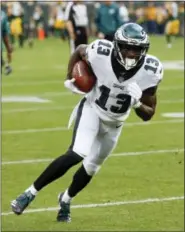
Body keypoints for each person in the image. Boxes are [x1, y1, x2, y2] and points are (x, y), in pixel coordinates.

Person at [11, 23, 163, 223]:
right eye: (127, 47)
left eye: (137, 49)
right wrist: (70, 78)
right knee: (77, 153)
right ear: (116, 45)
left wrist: (137, 105)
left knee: (91, 167)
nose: (131, 53)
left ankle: (65, 200)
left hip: (115, 124)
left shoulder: (151, 71)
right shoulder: (100, 52)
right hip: (92, 109)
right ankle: (29, 193)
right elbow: (79, 51)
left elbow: (149, 114)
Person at [1, 10, 12, 75]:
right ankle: (7, 66)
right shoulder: (2, 14)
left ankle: (6, 65)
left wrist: (8, 46)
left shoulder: (2, 14)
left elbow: (5, 32)